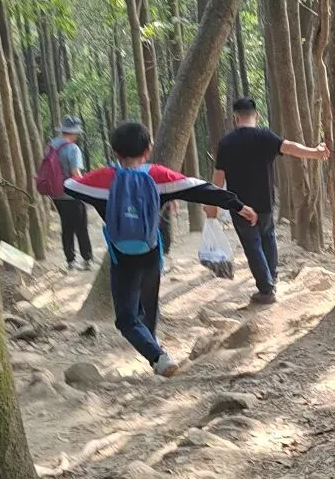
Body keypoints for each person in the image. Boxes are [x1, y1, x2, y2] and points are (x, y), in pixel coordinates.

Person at [66, 120, 256, 378]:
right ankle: (156, 353)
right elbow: (200, 189)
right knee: (149, 308)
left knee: (126, 319)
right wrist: (237, 205)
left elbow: (70, 186)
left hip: (121, 259)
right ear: (148, 150)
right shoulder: (157, 176)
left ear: (115, 152)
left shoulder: (104, 180)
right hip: (151, 255)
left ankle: (157, 357)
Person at [208, 97, 330, 304]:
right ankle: (271, 279)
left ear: (236, 118)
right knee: (268, 238)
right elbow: (290, 147)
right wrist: (315, 153)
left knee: (252, 245)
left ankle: (266, 289)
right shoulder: (265, 136)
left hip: (240, 206)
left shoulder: (226, 143)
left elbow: (218, 177)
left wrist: (212, 203)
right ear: (256, 115)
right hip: (265, 202)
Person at [42, 116, 93, 271]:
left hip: (56, 193)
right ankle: (87, 259)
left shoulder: (51, 145)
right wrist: (86, 189)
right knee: (81, 227)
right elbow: (75, 172)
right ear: (74, 133)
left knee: (66, 226)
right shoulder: (72, 148)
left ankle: (70, 260)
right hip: (72, 193)